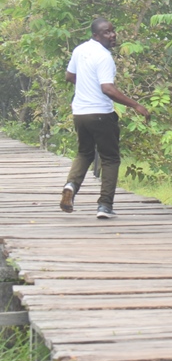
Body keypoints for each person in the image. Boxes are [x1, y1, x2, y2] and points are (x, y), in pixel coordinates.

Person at [60, 18, 150, 219]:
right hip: (100, 113)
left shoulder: (80, 50)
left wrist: (84, 85)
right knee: (110, 159)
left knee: (84, 153)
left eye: (113, 31)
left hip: (80, 113)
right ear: (95, 35)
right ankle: (105, 206)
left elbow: (69, 76)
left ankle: (71, 185)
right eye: (107, 33)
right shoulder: (104, 57)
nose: (113, 35)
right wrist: (136, 105)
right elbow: (107, 88)